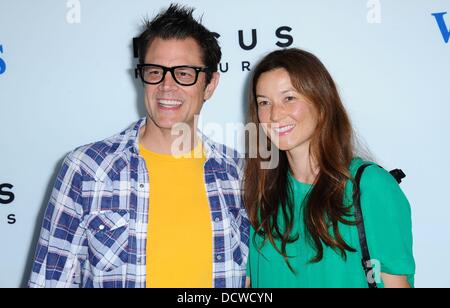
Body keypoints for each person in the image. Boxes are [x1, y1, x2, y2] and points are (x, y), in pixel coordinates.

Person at [28, 4, 249, 288]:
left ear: (210, 84)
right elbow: (48, 281)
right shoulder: (86, 169)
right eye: (155, 71)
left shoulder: (238, 174)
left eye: (183, 73)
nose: (166, 86)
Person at [244, 48, 415, 288]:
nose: (274, 114)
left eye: (289, 98)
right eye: (264, 102)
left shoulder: (369, 186)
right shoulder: (259, 193)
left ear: (322, 102)